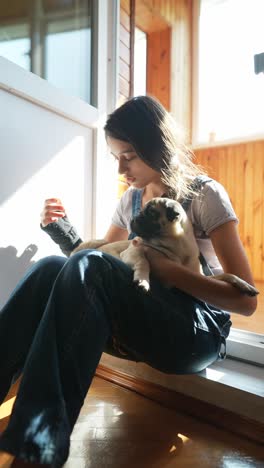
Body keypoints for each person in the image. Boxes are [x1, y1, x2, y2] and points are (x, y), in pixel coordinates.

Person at [0, 95, 257, 467]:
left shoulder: (204, 195)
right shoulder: (131, 200)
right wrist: (61, 230)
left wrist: (170, 272)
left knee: (83, 266)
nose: (121, 168)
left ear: (157, 146)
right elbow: (101, 260)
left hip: (195, 332)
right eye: (115, 156)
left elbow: (245, 301)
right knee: (51, 267)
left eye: (129, 155)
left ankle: (35, 449)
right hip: (141, 323)